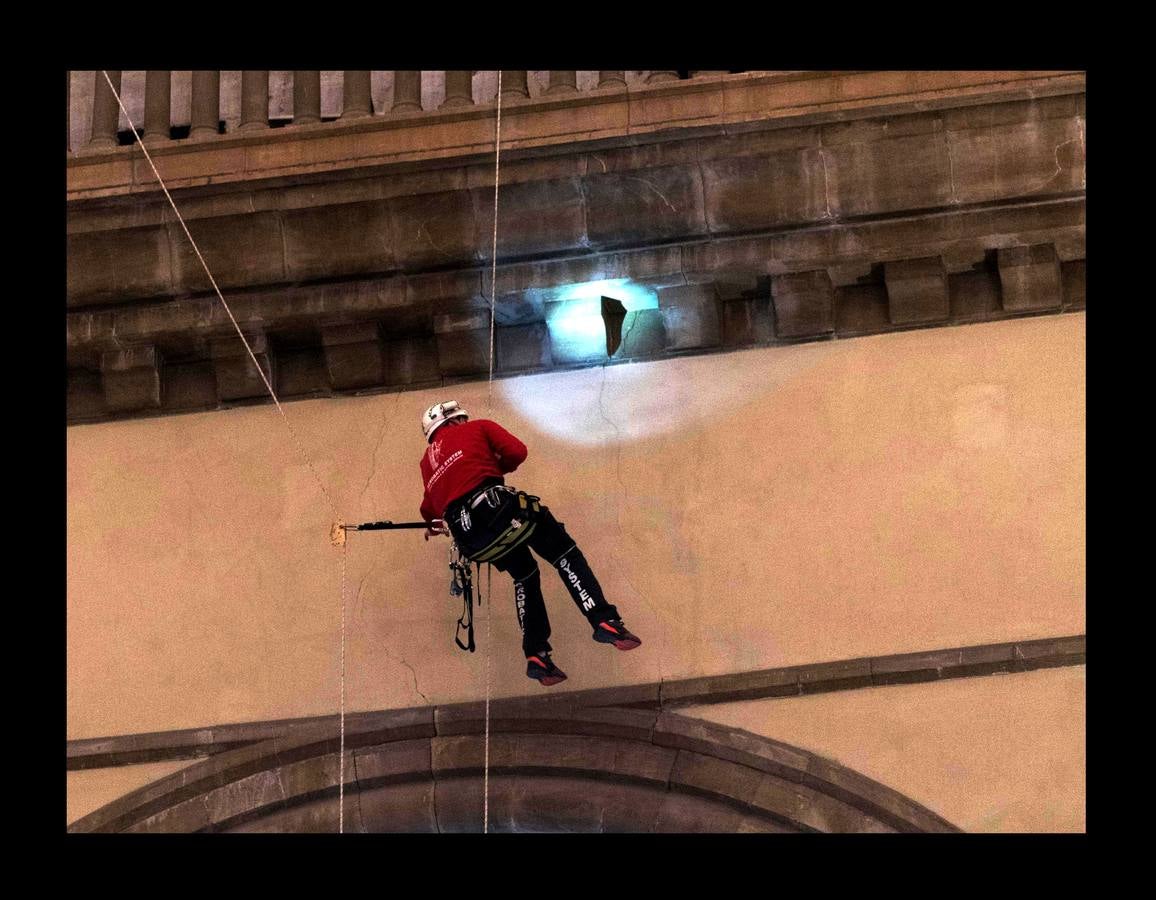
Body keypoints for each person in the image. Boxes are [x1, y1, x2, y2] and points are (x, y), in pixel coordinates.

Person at [419, 400, 641, 686]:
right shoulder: (478, 427)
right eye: (460, 420)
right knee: (563, 552)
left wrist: (432, 526)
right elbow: (517, 452)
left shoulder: (427, 462)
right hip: (497, 509)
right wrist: (494, 466)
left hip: (471, 540)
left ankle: (536, 653)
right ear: (452, 421)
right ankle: (603, 620)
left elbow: (429, 509)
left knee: (525, 575)